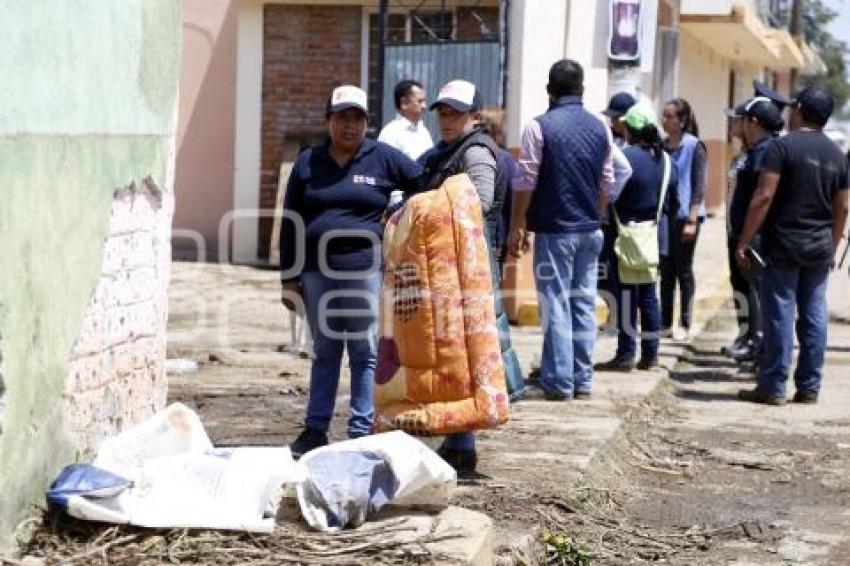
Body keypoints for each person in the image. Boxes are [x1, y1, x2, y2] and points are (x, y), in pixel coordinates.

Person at [279, 85, 423, 458]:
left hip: (363, 269)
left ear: (366, 123)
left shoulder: (383, 158)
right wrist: (288, 278)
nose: (349, 126)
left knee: (365, 352)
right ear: (328, 121)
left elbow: (423, 184)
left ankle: (360, 429)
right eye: (342, 118)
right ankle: (315, 429)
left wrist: (398, 218)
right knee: (325, 351)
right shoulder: (308, 163)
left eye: (357, 118)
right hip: (316, 273)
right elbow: (291, 221)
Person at [416, 79, 521, 473]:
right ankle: (460, 441)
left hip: (467, 266)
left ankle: (463, 443)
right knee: (454, 353)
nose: (446, 120)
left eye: (455, 113)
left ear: (474, 116)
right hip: (454, 265)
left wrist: (426, 208)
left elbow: (480, 199)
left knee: (463, 352)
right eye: (442, 113)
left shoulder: (475, 152)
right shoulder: (444, 152)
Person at [508, 59, 621, 401]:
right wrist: (597, 216)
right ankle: (582, 378)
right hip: (590, 228)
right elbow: (608, 180)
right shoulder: (602, 126)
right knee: (583, 303)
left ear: (548, 91)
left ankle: (559, 381)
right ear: (582, 90)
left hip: (556, 229)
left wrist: (518, 225)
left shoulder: (538, 127)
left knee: (555, 304)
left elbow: (526, 180)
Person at [735, 86, 849, 405]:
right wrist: (833, 245)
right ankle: (810, 386)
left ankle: (772, 386)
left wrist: (744, 240)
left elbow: (764, 196)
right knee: (814, 315)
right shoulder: (838, 156)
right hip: (818, 247)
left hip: (783, 245)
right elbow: (843, 208)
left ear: (798, 109)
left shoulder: (781, 148)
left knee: (780, 315)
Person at [594, 105, 677, 372]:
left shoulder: (624, 158)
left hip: (623, 236)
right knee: (649, 297)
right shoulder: (666, 161)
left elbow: (609, 190)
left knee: (627, 296)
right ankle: (651, 354)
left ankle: (626, 353)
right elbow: (673, 202)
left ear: (628, 129)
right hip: (651, 237)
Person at [724, 97, 785, 362]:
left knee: (760, 295)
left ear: (753, 123)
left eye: (743, 119)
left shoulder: (765, 151)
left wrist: (746, 239)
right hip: (746, 233)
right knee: (749, 289)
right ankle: (754, 344)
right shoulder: (756, 150)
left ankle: (760, 351)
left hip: (755, 236)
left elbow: (761, 197)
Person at [660, 98, 706, 341]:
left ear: (682, 120)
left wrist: (691, 220)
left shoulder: (694, 146)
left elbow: (698, 185)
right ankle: (664, 323)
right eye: (664, 116)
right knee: (665, 271)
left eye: (669, 116)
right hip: (665, 216)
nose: (664, 121)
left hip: (686, 216)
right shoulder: (661, 145)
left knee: (683, 270)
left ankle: (686, 323)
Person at [378, 79, 434, 160]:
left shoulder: (423, 131)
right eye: (420, 101)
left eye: (424, 101)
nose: (424, 106)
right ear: (404, 103)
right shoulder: (390, 134)